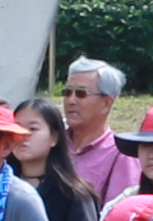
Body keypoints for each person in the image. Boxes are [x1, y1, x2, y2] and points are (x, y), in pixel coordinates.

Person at [52, 58, 140, 208]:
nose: (70, 100)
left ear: (106, 103)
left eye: (81, 93)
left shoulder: (121, 154)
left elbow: (118, 213)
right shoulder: (52, 142)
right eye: (67, 92)